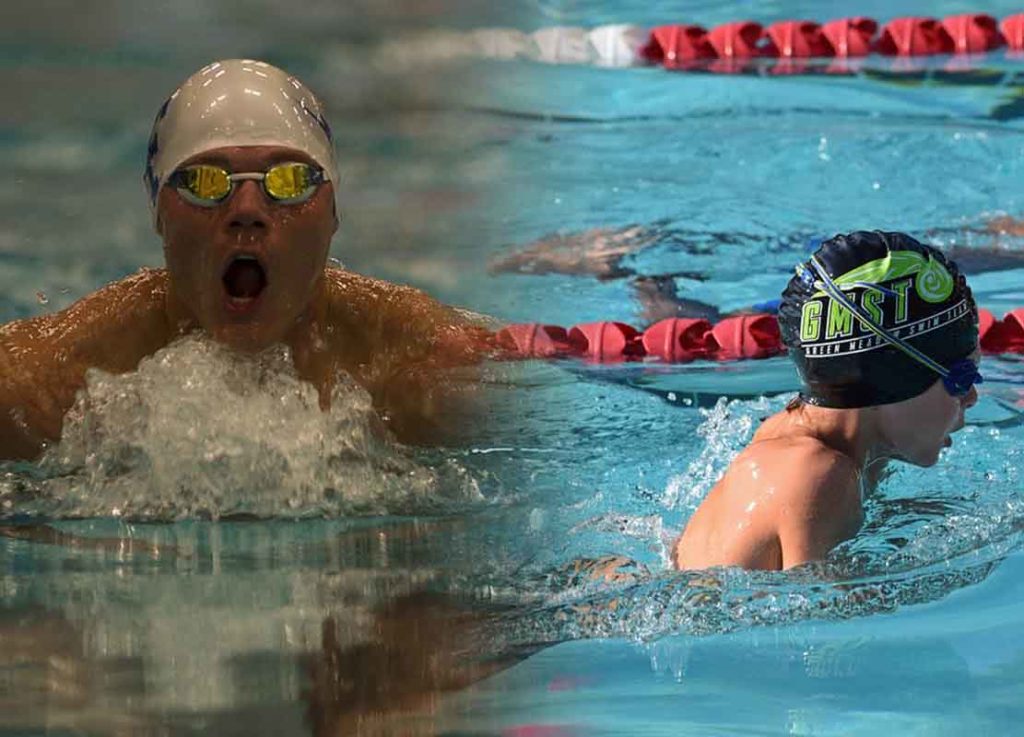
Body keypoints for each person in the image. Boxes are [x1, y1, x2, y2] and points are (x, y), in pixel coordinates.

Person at [0, 59, 494, 461]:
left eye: (290, 181)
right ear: (159, 215)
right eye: (205, 183)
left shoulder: (423, 365)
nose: (247, 212)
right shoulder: (49, 383)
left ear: (333, 214)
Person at [673, 231, 982, 571]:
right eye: (962, 378)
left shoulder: (844, 448)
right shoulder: (817, 474)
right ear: (891, 378)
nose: (971, 397)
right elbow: (818, 614)